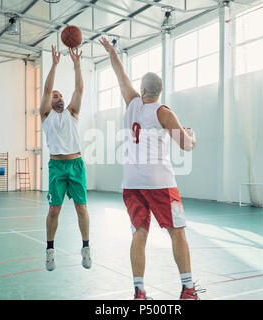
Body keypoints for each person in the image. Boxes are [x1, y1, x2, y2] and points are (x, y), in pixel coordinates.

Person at [99, 37, 202, 300]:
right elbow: (186, 147)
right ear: (160, 91)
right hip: (160, 183)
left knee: (139, 233)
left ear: (142, 90)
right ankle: (188, 290)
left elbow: (119, 74)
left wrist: (112, 51)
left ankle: (139, 291)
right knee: (176, 232)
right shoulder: (164, 112)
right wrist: (192, 136)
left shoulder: (132, 102)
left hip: (131, 183)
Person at [40, 45, 91, 271]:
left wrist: (77, 64)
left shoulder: (72, 113)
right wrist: (54, 63)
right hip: (57, 167)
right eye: (54, 96)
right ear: (49, 102)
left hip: (76, 165)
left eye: (59, 95)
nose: (57, 97)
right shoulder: (45, 116)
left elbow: (80, 88)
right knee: (54, 210)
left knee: (82, 208)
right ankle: (50, 251)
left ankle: (86, 248)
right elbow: (46, 87)